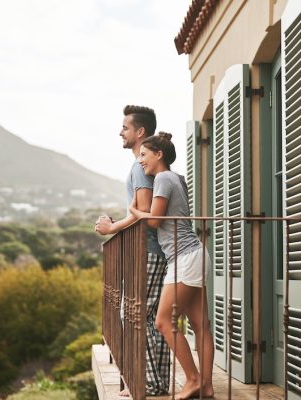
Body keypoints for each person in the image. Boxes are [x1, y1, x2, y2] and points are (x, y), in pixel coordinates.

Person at [128, 132, 214, 400]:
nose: (140, 160)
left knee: (163, 321)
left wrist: (134, 211)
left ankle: (192, 379)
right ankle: (206, 387)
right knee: (201, 324)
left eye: (144, 155)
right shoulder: (177, 178)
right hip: (196, 254)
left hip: (185, 257)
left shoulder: (163, 178)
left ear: (159, 155)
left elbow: (154, 221)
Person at [94, 105, 170, 397]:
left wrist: (113, 228)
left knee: (138, 316)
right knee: (147, 317)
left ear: (140, 132)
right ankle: (156, 381)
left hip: (149, 250)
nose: (120, 132)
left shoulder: (139, 169)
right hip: (150, 250)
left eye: (125, 127)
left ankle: (151, 382)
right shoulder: (140, 166)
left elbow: (147, 212)